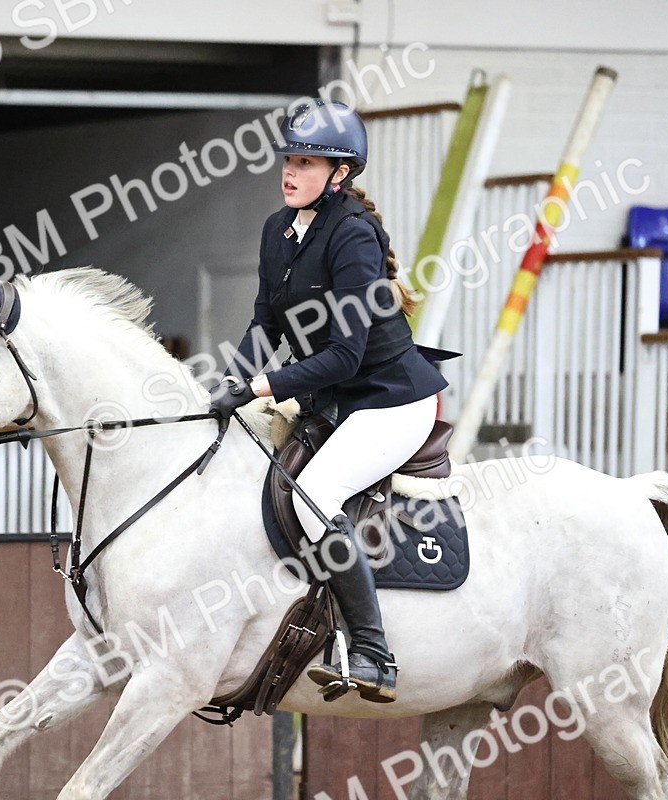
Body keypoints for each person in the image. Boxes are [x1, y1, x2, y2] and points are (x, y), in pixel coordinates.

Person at [209, 99, 450, 703]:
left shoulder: (353, 236)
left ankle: (374, 652)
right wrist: (228, 385)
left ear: (339, 174)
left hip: (390, 401)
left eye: (307, 163)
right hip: (333, 397)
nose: (290, 172)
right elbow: (265, 325)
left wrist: (260, 387)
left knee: (314, 494)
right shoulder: (277, 229)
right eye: (289, 160)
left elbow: (345, 355)